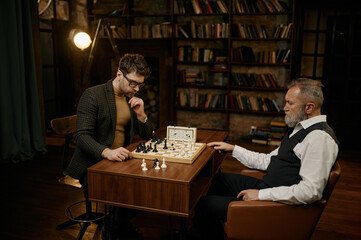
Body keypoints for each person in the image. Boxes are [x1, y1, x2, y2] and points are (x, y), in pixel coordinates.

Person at [191, 78, 340, 239]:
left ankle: (223, 223)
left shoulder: (319, 138)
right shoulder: (300, 128)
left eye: (290, 103)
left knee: (202, 205)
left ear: (309, 107)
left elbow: (311, 192)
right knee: (218, 180)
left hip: (276, 204)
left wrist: (260, 195)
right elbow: (268, 161)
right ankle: (221, 227)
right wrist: (233, 149)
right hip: (268, 186)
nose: (285, 108)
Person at [64, 53, 154, 239]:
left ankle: (117, 224)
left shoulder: (131, 98)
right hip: (93, 164)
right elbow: (80, 137)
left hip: (122, 161)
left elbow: (148, 136)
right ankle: (115, 229)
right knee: (131, 189)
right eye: (133, 83)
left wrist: (142, 116)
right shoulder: (93, 95)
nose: (137, 89)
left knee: (151, 186)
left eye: (140, 85)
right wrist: (106, 152)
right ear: (119, 74)